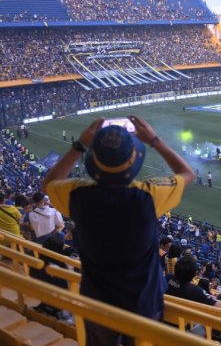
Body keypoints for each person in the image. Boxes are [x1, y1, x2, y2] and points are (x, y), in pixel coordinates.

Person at [42, 116, 194, 345]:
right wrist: (154, 140)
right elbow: (187, 174)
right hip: (143, 303)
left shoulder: (76, 195)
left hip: (97, 301)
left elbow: (48, 183)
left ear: (92, 159)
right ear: (134, 160)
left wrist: (80, 144)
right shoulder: (149, 195)